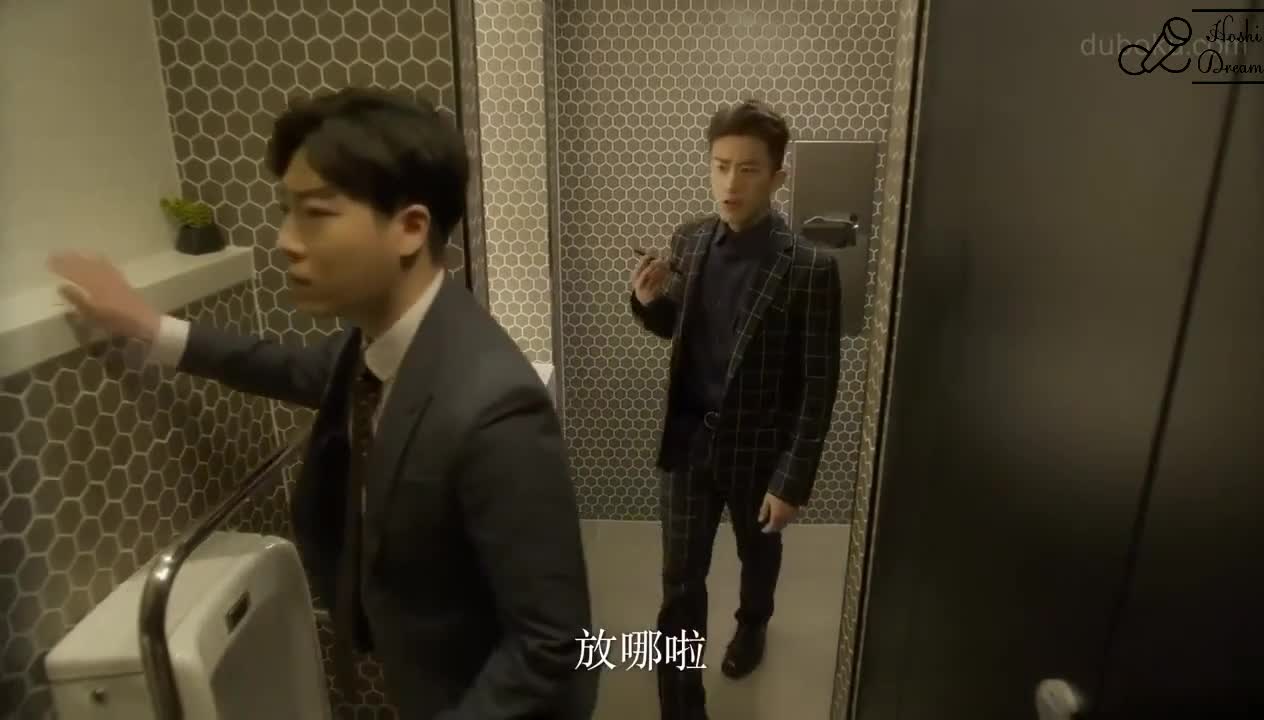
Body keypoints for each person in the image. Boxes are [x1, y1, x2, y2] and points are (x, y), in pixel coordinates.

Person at [49, 88, 598, 720]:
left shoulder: (494, 408)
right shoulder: (377, 346)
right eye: (286, 212)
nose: (285, 240)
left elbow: (552, 649)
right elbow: (286, 366)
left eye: (315, 213)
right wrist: (151, 328)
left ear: (410, 229)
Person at [628, 99, 843, 719]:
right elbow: (680, 330)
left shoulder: (809, 269)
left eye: (748, 169)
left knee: (759, 552)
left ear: (777, 177)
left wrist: (792, 480)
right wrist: (648, 301)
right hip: (688, 443)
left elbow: (818, 387)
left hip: (759, 451)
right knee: (680, 584)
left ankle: (752, 625)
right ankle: (681, 704)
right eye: (720, 166)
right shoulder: (689, 240)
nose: (730, 182)